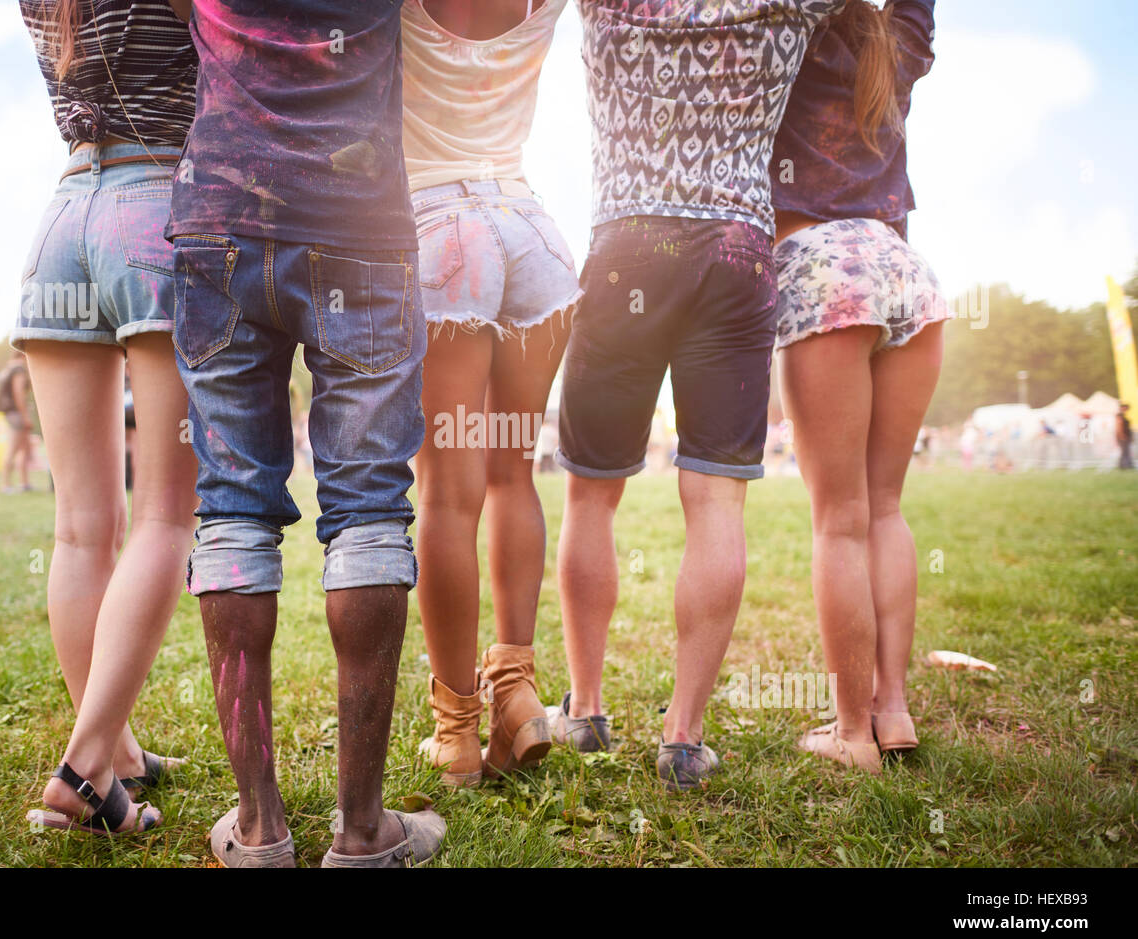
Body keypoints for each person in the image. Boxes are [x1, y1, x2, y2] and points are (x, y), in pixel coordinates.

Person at [170, 0, 444, 867]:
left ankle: (257, 831)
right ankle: (362, 834)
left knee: (232, 510)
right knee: (368, 507)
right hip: (357, 217)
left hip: (219, 214)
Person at [551, 0, 846, 792]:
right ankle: (683, 738)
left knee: (590, 497)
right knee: (717, 502)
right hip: (736, 250)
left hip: (626, 247)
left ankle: (584, 710)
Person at [18, 0, 198, 837]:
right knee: (168, 511)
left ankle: (116, 748)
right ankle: (85, 772)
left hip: (62, 218)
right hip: (157, 202)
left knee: (81, 528)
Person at [403, 0, 580, 787]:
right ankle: (516, 687)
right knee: (514, 473)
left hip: (440, 232)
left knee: (446, 493)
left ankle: (458, 733)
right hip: (533, 234)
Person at [771, 0, 945, 771]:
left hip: (821, 266)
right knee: (885, 508)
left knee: (838, 518)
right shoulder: (895, 44)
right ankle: (893, 709)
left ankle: (850, 733)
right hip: (905, 268)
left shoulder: (786, 34)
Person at [0, 353, 35, 492]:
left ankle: (24, 483)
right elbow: (19, 394)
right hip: (17, 413)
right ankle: (6, 484)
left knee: (23, 448)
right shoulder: (18, 370)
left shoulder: (7, 369)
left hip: (11, 412)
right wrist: (25, 416)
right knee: (13, 449)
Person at [1117, 404, 1134, 470]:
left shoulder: (1123, 415)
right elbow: (1119, 426)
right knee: (1124, 451)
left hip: (1126, 436)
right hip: (1123, 436)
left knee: (1126, 451)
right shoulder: (1120, 415)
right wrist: (1122, 435)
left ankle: (1128, 464)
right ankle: (1123, 465)